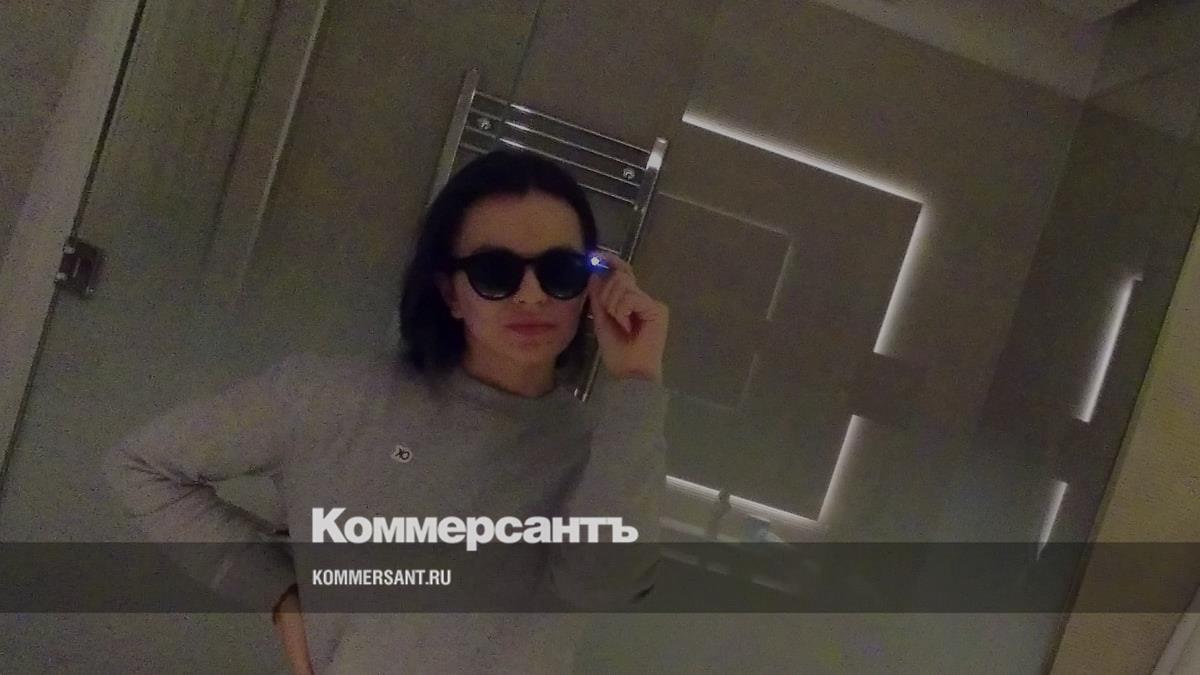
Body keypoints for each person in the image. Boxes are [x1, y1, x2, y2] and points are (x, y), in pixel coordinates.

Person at [103, 148, 672, 673]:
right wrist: (277, 593)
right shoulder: (330, 399)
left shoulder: (606, 449)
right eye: (495, 272)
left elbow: (601, 586)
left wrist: (638, 381)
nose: (532, 295)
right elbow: (143, 467)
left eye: (560, 272)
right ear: (449, 292)